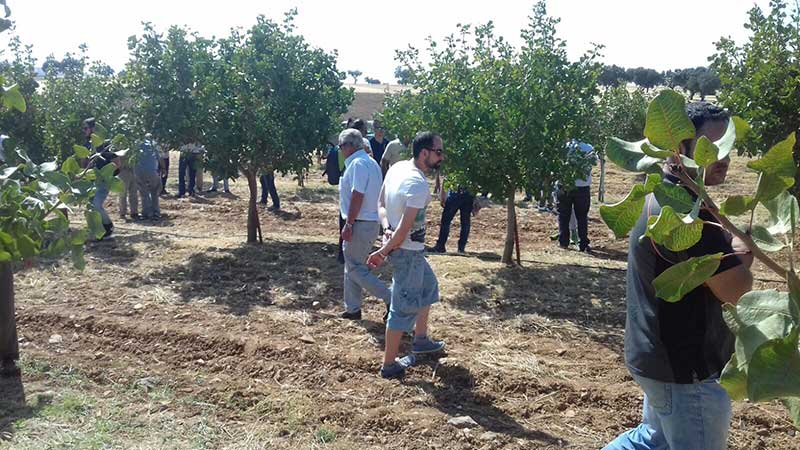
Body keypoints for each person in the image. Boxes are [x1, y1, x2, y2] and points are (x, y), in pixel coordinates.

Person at [603, 102, 754, 450]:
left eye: (727, 145)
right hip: (687, 372)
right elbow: (737, 292)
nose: (723, 157)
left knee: (652, 440)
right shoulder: (686, 215)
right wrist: (745, 248)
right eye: (711, 147)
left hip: (658, 357)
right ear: (678, 147)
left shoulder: (662, 194)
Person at [367, 131, 447, 379]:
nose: (441, 157)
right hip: (406, 253)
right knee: (402, 309)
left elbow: (380, 204)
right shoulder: (417, 184)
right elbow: (403, 231)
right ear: (424, 153)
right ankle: (389, 365)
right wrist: (383, 251)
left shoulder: (397, 168)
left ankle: (420, 340)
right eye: (438, 152)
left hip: (408, 250)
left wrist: (385, 228)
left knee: (428, 287)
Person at [337, 129, 391, 320]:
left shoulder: (358, 164)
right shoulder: (370, 163)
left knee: (354, 268)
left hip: (360, 223)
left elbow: (357, 195)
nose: (340, 151)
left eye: (341, 146)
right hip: (368, 222)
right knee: (353, 266)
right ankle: (353, 309)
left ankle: (390, 297)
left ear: (348, 146)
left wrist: (349, 224)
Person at [557, 139, 597, 252]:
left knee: (563, 215)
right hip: (582, 187)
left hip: (565, 185)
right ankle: (583, 243)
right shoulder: (589, 148)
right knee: (582, 216)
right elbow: (594, 163)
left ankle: (563, 241)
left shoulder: (564, 146)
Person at [84, 118, 118, 239]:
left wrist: (108, 175)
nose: (84, 131)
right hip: (91, 181)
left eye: (86, 128)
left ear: (93, 129)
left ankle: (108, 227)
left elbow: (117, 162)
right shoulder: (88, 145)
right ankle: (97, 230)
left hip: (103, 181)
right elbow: (85, 162)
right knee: (91, 206)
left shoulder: (105, 145)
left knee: (97, 205)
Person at [430, 182, 475, 254]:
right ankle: (461, 248)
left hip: (455, 194)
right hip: (468, 195)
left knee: (446, 221)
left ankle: (440, 246)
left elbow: (446, 180)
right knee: (465, 222)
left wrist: (442, 196)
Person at [135, 134, 162, 220]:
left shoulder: (136, 144)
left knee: (143, 192)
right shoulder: (153, 145)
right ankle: (156, 212)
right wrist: (163, 168)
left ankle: (146, 212)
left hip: (139, 171)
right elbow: (159, 158)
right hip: (152, 171)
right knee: (154, 191)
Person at [117, 148, 139, 220]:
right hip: (123, 171)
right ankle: (122, 212)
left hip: (133, 171)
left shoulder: (133, 147)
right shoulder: (119, 147)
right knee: (122, 193)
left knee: (133, 193)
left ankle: (134, 212)